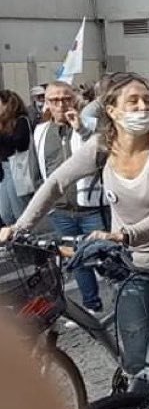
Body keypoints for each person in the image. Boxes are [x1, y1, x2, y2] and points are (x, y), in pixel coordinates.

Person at [4, 72, 149, 409]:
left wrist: (123, 235)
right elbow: (55, 184)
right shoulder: (101, 146)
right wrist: (19, 227)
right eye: (133, 101)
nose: (143, 107)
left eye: (146, 100)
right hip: (130, 265)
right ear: (111, 110)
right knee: (136, 354)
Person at [32, 81, 105, 312]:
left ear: (74, 99)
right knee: (77, 260)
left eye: (66, 99)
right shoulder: (41, 131)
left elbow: (102, 154)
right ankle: (92, 305)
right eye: (55, 100)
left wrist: (80, 128)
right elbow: (37, 171)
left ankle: (124, 302)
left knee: (106, 257)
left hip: (90, 207)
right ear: (47, 103)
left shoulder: (90, 124)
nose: (61, 104)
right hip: (61, 209)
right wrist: (48, 203)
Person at [0, 90, 36, 225]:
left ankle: (25, 235)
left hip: (17, 166)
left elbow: (20, 144)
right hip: (4, 169)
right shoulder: (3, 123)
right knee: (5, 213)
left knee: (19, 211)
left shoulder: (21, 120)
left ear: (7, 104)